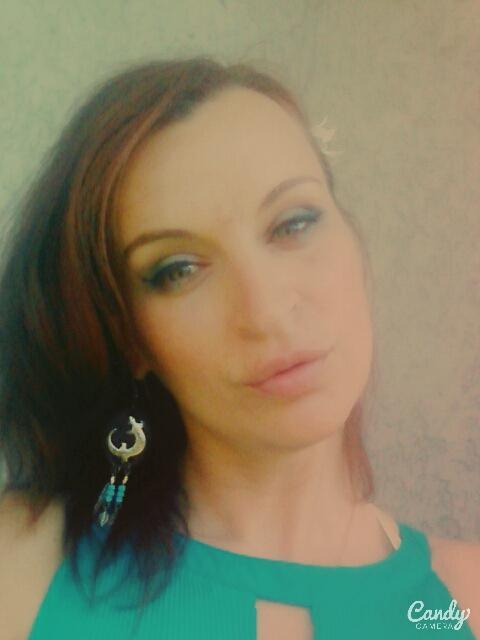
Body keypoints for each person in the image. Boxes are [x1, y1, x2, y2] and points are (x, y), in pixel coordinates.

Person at [0, 56, 478, 640]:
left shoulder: (465, 598)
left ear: (353, 241)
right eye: (178, 269)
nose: (265, 310)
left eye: (293, 223)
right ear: (129, 338)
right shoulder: (18, 568)